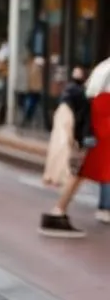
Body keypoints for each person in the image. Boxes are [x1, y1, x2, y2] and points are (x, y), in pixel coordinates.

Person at [41, 56, 110, 237]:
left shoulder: (104, 66)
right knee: (83, 170)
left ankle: (58, 210)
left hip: (98, 121)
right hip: (103, 121)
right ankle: (58, 210)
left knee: (82, 171)